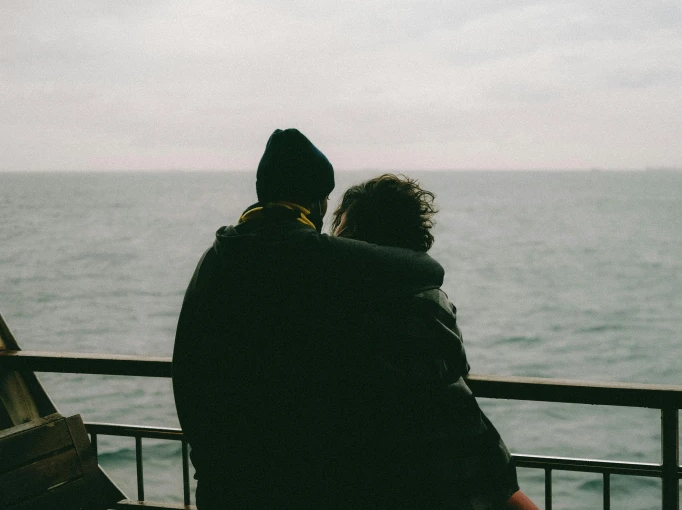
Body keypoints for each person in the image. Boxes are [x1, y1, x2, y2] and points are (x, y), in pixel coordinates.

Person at [173, 129, 476, 509]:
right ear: (318, 202)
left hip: (221, 480)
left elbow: (186, 367)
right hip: (291, 485)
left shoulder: (215, 260)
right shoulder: (315, 257)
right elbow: (425, 270)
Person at [332, 173, 540, 510]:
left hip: (396, 462)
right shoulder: (429, 295)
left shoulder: (344, 302)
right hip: (461, 448)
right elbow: (456, 364)